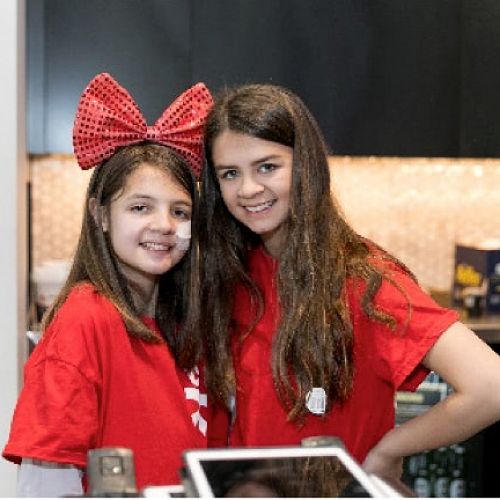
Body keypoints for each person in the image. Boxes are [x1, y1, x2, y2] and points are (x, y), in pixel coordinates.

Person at [198, 83, 500, 480]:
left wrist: (388, 451)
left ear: (306, 165)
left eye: (267, 167)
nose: (248, 189)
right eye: (230, 174)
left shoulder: (364, 281)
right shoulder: (236, 271)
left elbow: (490, 387)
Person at [3, 73, 214, 496]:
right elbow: (45, 487)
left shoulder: (183, 321)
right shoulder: (84, 319)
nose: (164, 225)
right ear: (100, 214)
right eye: (140, 207)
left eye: (179, 211)